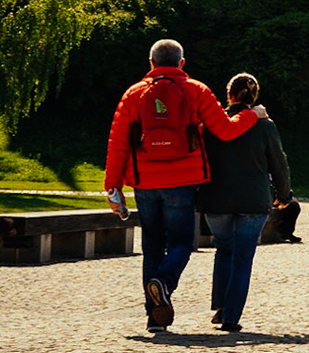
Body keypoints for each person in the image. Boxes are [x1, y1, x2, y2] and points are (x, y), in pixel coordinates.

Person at [103, 39, 265, 332]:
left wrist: (113, 188)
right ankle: (162, 283)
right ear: (182, 63)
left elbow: (117, 144)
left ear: (151, 63)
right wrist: (252, 115)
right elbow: (226, 131)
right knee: (180, 244)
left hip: (145, 183)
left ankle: (155, 316)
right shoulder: (196, 90)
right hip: (182, 183)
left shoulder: (133, 94)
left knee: (152, 246)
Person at [199, 73, 292, 332]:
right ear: (255, 97)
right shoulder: (265, 126)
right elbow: (278, 162)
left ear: (229, 95)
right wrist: (284, 195)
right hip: (253, 201)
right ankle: (231, 316)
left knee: (224, 251)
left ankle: (220, 306)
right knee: (243, 258)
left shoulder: (213, 122)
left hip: (216, 199)